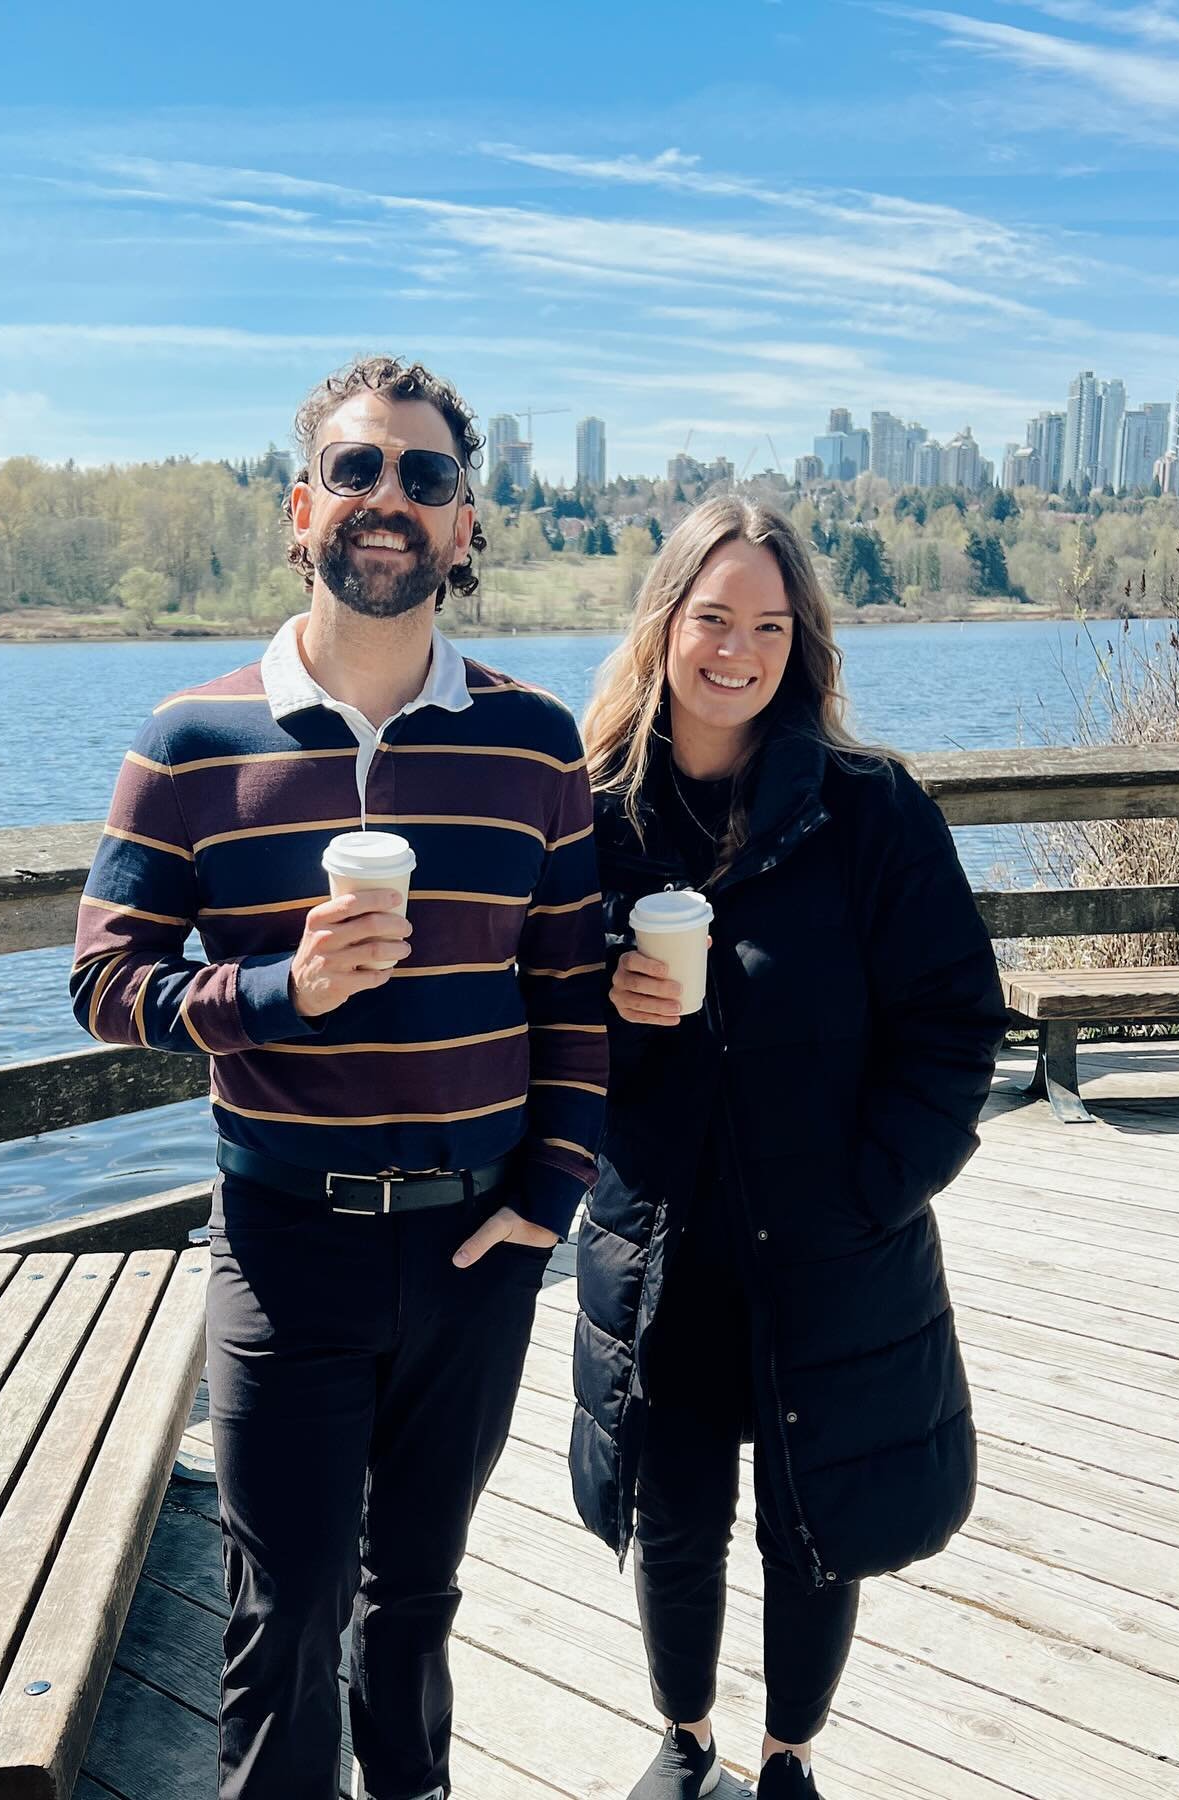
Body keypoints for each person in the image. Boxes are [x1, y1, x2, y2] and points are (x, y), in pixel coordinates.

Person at [71, 355, 607, 1800]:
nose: (390, 500)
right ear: (302, 510)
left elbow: (572, 994)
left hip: (474, 1240)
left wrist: (550, 1198)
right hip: (283, 1238)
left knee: (416, 1596)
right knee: (284, 1606)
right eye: (359, 471)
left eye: (425, 478)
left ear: (466, 527)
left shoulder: (534, 742)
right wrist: (275, 989)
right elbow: (103, 985)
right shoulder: (190, 744)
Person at [568, 496, 1006, 1799]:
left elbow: (954, 1026)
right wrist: (606, 994)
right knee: (678, 1513)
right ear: (664, 627)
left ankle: (786, 1756)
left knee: (811, 1525)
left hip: (827, 1244)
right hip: (665, 1243)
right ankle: (686, 1736)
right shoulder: (592, 813)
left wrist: (872, 1189)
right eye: (713, 618)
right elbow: (530, 1023)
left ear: (801, 642)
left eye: (769, 623)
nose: (737, 651)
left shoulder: (868, 813)